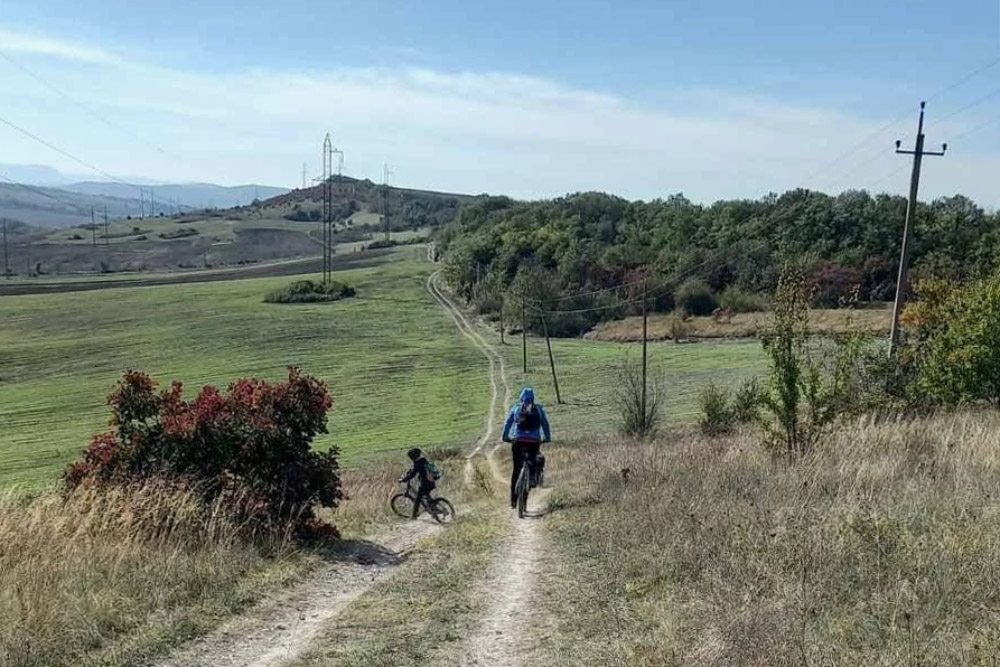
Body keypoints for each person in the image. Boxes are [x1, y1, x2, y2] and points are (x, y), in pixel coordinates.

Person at [502, 387, 552, 509]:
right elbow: (545, 424)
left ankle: (513, 501)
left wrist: (505, 437)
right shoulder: (538, 409)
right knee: (531, 465)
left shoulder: (516, 408)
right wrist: (547, 438)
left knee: (516, 470)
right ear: (533, 399)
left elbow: (508, 423)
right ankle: (530, 483)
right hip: (534, 442)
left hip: (518, 441)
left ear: (521, 399)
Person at [398, 447, 435, 519]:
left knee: (418, 500)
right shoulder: (423, 460)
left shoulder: (417, 463)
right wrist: (412, 470)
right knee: (426, 496)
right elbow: (418, 469)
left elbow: (412, 474)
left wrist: (403, 480)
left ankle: (414, 516)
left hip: (425, 483)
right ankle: (433, 510)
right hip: (431, 481)